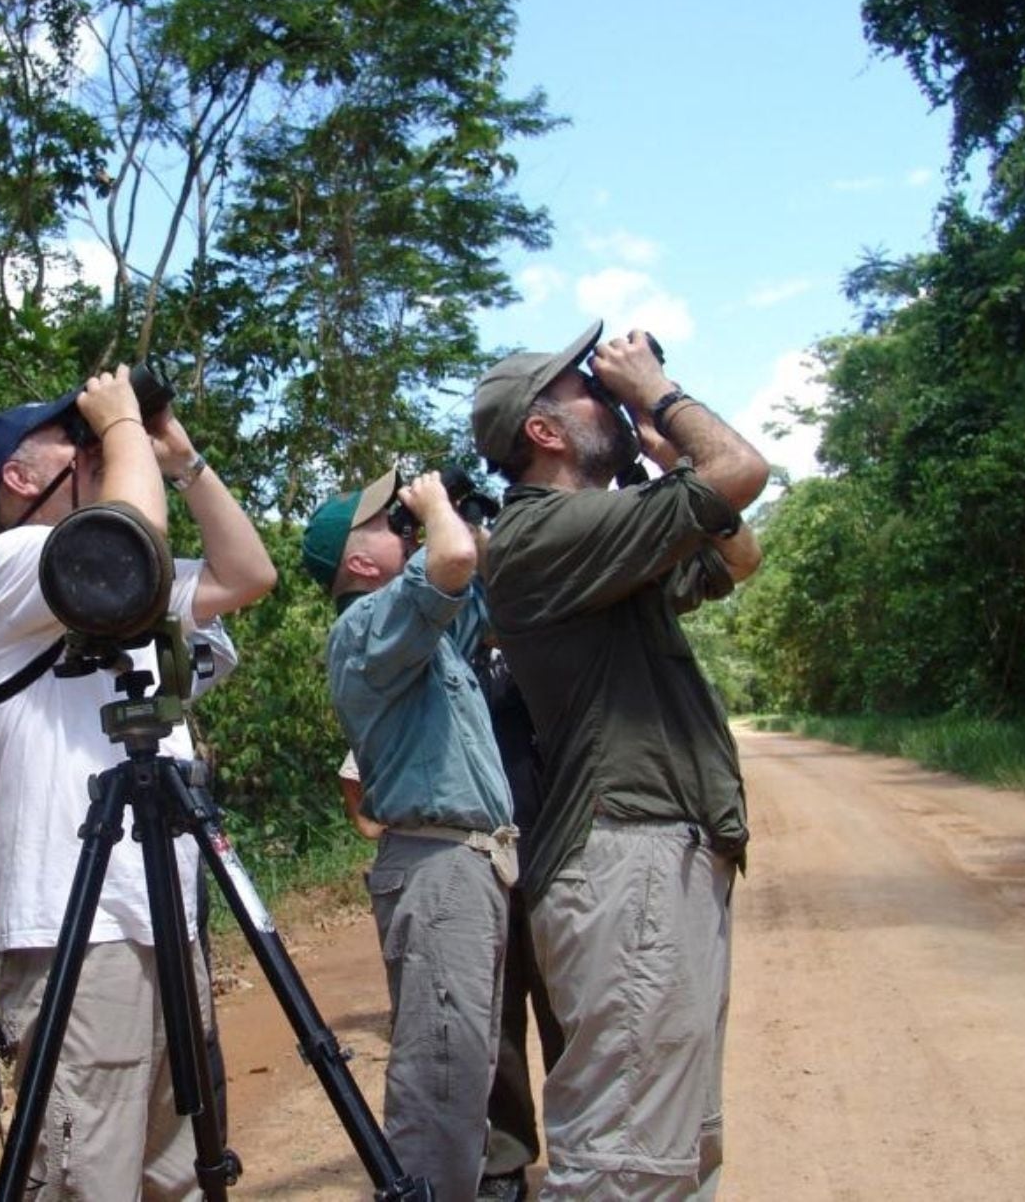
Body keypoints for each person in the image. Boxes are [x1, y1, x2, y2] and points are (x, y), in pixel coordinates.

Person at [470, 324, 768, 1201]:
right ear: (545, 430)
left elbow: (738, 553)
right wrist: (657, 394)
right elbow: (742, 469)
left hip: (657, 854)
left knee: (676, 1145)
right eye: (587, 389)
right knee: (625, 1162)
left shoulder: (601, 541)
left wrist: (666, 447)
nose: (608, 396)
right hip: (625, 857)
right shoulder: (537, 535)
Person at [0, 371, 275, 1199]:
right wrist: (126, 420)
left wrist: (183, 459)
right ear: (23, 479)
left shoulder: (121, 581)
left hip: (162, 911)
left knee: (174, 1169)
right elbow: (130, 536)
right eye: (78, 439)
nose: (99, 446)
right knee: (85, 1178)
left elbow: (248, 575)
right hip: (76, 927)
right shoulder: (11, 566)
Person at [304, 468, 517, 1202]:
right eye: (387, 525)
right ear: (360, 564)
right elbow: (452, 560)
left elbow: (472, 564)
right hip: (437, 869)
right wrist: (432, 509)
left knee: (464, 1079)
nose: (403, 527)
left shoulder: (421, 635)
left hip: (465, 869)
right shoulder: (365, 625)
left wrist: (450, 508)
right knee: (440, 1086)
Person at [473, 642, 564, 1202]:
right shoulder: (448, 643)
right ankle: (504, 1157)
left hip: (559, 845)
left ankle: (582, 1147)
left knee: (570, 1012)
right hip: (480, 853)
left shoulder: (546, 620)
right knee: (495, 1016)